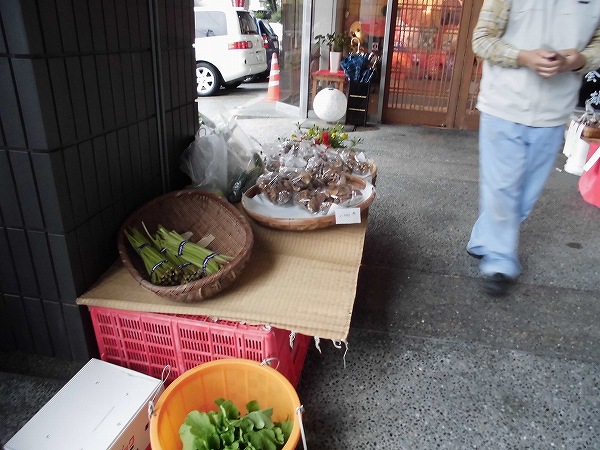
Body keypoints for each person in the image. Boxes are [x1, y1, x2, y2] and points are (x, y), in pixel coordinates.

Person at [466, 0, 600, 296]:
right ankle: (500, 261)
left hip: (554, 111)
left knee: (525, 194)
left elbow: (598, 45)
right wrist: (523, 56)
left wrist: (576, 60)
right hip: (503, 105)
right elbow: (482, 39)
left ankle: (482, 239)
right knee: (502, 187)